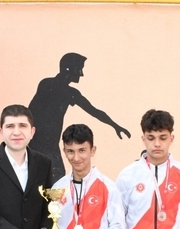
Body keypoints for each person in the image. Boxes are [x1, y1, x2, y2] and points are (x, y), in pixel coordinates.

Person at [28, 52, 131, 181]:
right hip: (39, 144)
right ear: (69, 69)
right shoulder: (48, 85)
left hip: (48, 145)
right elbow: (30, 112)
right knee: (52, 181)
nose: (81, 74)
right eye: (79, 69)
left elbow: (94, 111)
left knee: (56, 182)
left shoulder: (68, 92)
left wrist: (115, 125)